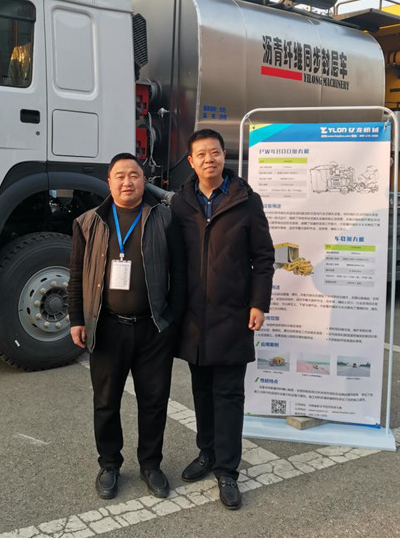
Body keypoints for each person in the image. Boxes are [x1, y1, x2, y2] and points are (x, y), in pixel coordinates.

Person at [68, 153, 186, 501]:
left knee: (154, 401)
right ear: (109, 182)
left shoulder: (164, 217)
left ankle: (151, 464)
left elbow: (180, 274)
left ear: (143, 180)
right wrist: (77, 319)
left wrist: (172, 319)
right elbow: (76, 275)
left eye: (134, 175)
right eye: (119, 176)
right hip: (107, 328)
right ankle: (109, 464)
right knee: (106, 402)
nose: (127, 182)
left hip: (153, 328)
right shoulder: (88, 222)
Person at [171, 129, 274, 511]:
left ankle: (227, 470)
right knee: (201, 390)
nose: (208, 159)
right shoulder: (181, 203)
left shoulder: (245, 200)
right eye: (201, 154)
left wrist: (258, 303)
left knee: (229, 394)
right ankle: (207, 452)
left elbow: (263, 257)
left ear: (223, 155)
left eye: (214, 153)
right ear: (191, 161)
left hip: (233, 314)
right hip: (193, 317)